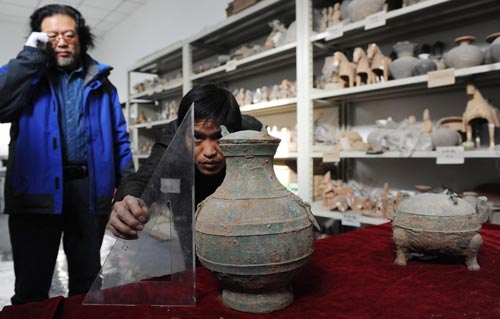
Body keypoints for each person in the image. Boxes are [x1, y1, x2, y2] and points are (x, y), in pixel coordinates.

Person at [0, 5, 134, 304]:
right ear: (38, 40)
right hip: (36, 193)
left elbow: (120, 141)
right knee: (31, 288)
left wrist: (127, 189)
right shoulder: (26, 77)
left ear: (80, 37)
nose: (61, 41)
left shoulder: (104, 85)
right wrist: (31, 56)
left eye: (68, 34)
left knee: (87, 284)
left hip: (88, 194)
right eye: (51, 35)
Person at [108, 84, 262, 244]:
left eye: (219, 137)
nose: (209, 151)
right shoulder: (174, 136)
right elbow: (142, 179)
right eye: (197, 137)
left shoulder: (251, 132)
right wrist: (127, 201)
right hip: (189, 204)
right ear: (183, 134)